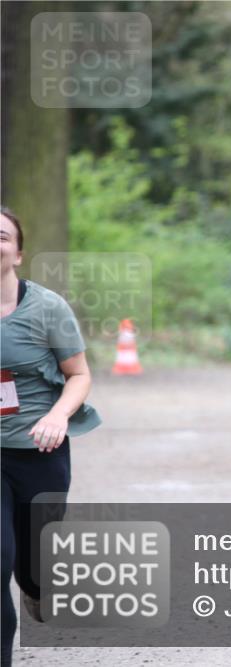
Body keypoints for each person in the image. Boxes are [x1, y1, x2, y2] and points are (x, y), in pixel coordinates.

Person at [0, 207, 101, 667]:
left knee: (36, 567)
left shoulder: (46, 307)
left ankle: (38, 589)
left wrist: (59, 416)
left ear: (18, 254)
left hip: (39, 452)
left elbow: (79, 374)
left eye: (1, 237)